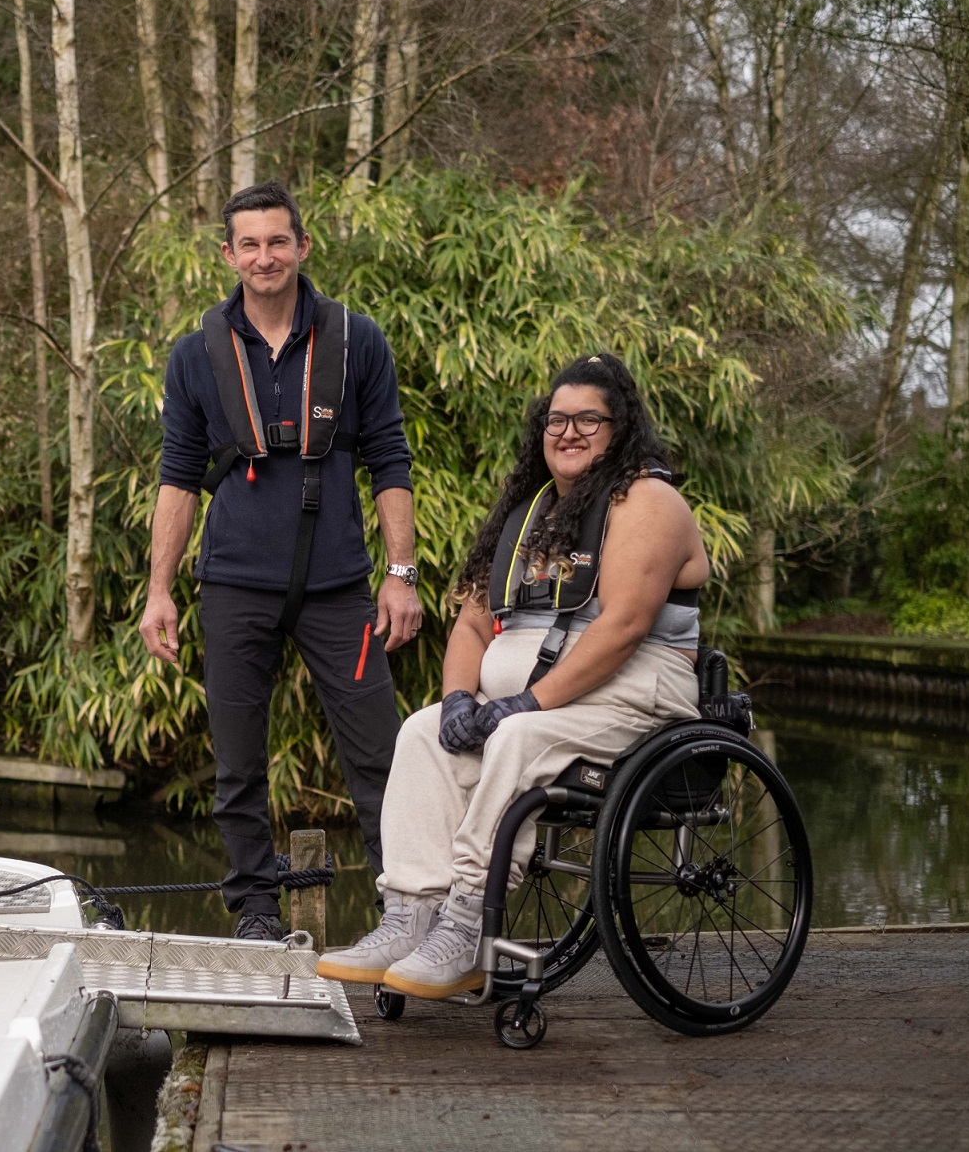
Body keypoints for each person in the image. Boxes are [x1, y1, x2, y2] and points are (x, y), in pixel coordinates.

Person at [316, 352, 709, 996]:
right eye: (557, 419)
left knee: (516, 740)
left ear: (621, 429)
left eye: (590, 420)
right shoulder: (530, 514)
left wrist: (525, 703)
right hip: (531, 701)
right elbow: (471, 625)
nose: (570, 432)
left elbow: (623, 629)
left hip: (632, 697)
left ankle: (468, 923)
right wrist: (458, 700)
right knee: (420, 734)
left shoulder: (647, 499)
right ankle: (412, 914)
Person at [140, 182, 422, 941]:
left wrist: (402, 574)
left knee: (380, 758)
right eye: (250, 244)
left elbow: (390, 458)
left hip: (339, 588)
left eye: (278, 241)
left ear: (302, 246)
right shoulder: (197, 353)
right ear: (228, 255)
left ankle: (408, 909)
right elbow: (178, 476)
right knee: (237, 766)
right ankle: (257, 915)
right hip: (233, 583)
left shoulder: (356, 340)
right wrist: (158, 589)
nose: (265, 257)